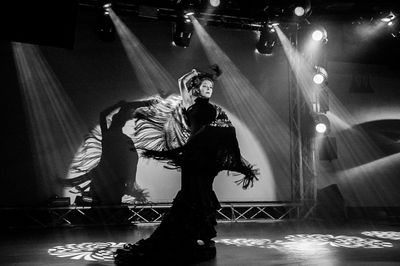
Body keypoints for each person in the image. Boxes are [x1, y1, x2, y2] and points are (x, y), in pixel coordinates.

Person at [114, 65, 259, 265]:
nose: (209, 89)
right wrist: (194, 73)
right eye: (205, 86)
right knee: (192, 193)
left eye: (211, 87)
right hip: (194, 154)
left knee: (204, 192)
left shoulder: (213, 109)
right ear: (196, 89)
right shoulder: (189, 101)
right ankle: (184, 235)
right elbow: (182, 81)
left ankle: (202, 235)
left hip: (208, 156)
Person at [63, 99, 153, 205]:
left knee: (100, 205)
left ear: (118, 122)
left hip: (106, 177)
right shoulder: (122, 138)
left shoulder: (110, 135)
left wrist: (117, 105)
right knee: (105, 205)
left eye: (116, 119)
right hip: (111, 177)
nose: (114, 120)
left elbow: (103, 115)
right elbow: (133, 159)